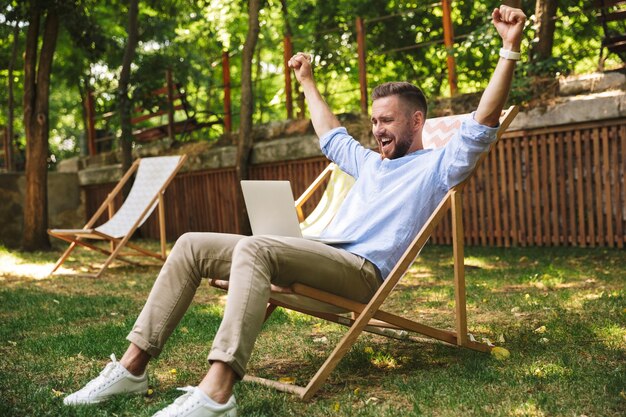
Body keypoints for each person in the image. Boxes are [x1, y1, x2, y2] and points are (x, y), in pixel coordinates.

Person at [63, 5, 526, 417]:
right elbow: (331, 135)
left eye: (387, 120)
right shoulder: (368, 163)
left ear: (416, 121)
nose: (377, 128)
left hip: (360, 272)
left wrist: (508, 49)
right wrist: (307, 81)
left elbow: (483, 119)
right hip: (320, 255)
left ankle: (218, 391)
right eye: (374, 119)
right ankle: (131, 367)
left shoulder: (439, 166)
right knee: (190, 246)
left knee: (256, 250)